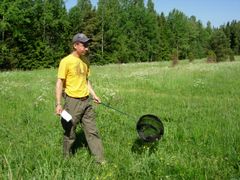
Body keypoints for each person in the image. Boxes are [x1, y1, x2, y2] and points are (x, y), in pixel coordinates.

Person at [55, 33, 105, 164]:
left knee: (92, 131)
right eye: (84, 45)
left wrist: (94, 95)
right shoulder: (66, 61)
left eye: (87, 45)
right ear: (75, 45)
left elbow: (86, 81)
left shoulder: (86, 61)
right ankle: (66, 159)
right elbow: (60, 82)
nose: (87, 48)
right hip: (72, 102)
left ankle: (100, 160)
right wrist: (58, 104)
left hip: (86, 101)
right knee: (70, 131)